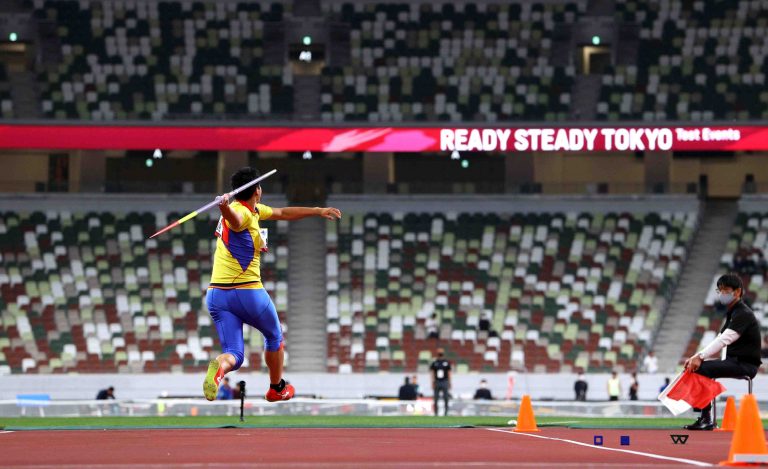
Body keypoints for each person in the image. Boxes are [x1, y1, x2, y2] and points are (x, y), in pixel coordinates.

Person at [203, 167, 342, 402]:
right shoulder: (242, 212)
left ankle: (218, 367)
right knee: (274, 337)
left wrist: (317, 210)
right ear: (257, 190)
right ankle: (277, 388)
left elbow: (283, 212)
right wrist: (224, 207)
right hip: (247, 292)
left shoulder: (254, 210)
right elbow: (236, 222)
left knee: (234, 355)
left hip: (217, 295)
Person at [682, 273, 762, 430]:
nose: (721, 294)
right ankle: (706, 418)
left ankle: (706, 419)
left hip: (745, 365)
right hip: (734, 361)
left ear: (737, 292)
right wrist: (695, 357)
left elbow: (724, 339)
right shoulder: (733, 312)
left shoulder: (743, 314)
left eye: (725, 290)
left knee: (702, 369)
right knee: (700, 366)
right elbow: (719, 337)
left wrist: (700, 358)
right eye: (719, 290)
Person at [430, 348, 452, 416]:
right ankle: (436, 413)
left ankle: (446, 413)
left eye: (441, 351)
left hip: (444, 381)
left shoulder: (446, 362)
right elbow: (432, 373)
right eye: (439, 351)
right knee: (436, 398)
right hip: (437, 381)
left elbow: (449, 373)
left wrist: (449, 382)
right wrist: (432, 382)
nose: (440, 352)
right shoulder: (435, 363)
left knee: (446, 398)